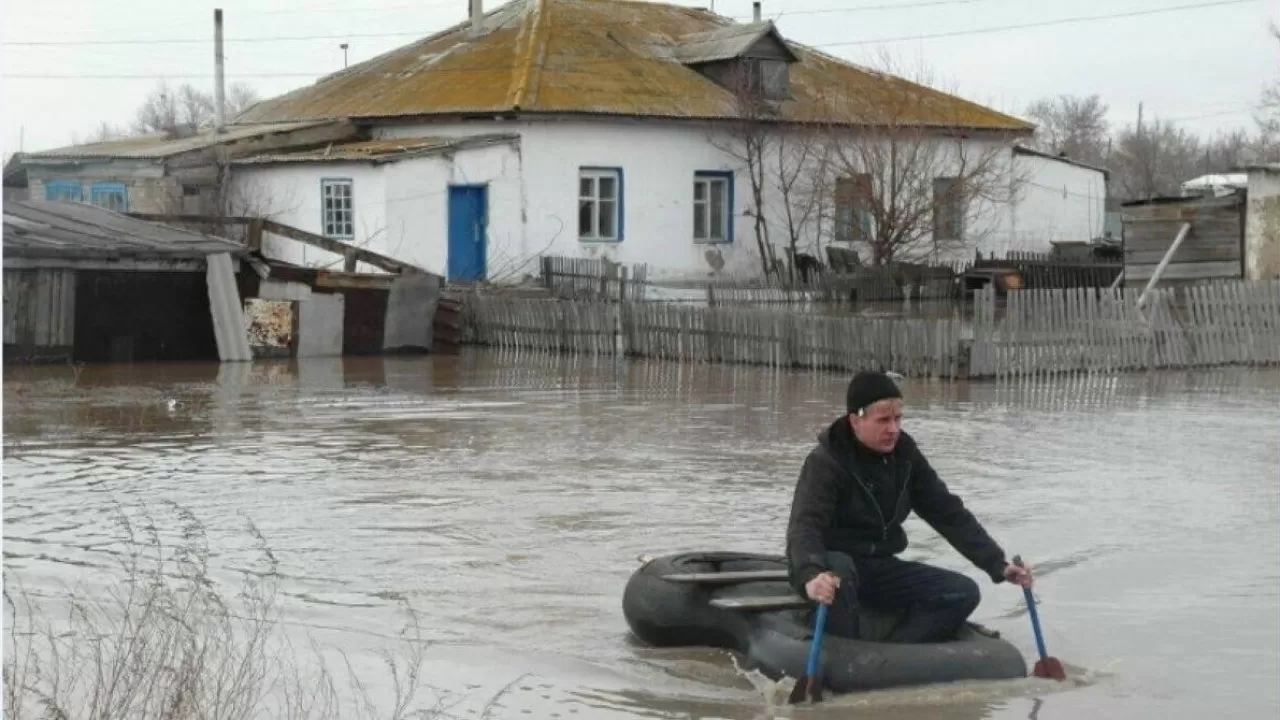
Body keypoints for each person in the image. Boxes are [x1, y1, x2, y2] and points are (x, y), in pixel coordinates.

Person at [784, 370, 1033, 643]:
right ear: (855, 421)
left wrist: (997, 564)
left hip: (880, 567)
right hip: (834, 569)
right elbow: (804, 526)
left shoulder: (905, 456)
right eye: (883, 420)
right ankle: (832, 632)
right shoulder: (826, 462)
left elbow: (948, 512)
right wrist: (810, 575)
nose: (893, 429)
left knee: (964, 592)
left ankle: (894, 648)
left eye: (898, 418)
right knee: (839, 571)